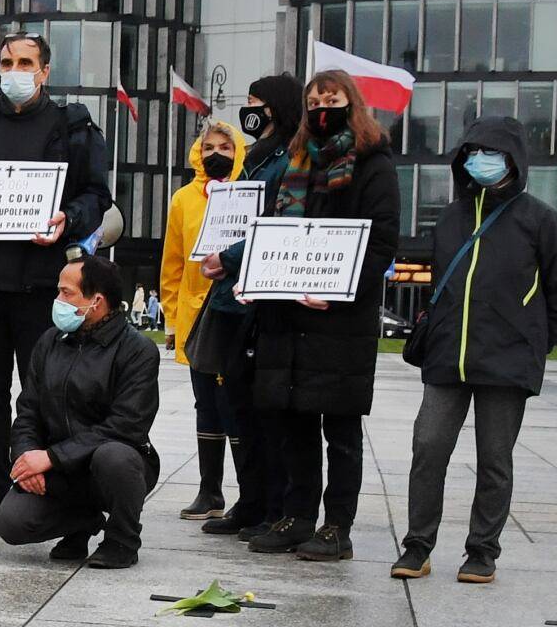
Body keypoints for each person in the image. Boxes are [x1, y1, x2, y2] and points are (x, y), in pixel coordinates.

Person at [212, 68, 398, 561]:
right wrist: (257, 279)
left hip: (340, 321)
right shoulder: (295, 161)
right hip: (286, 316)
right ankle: (296, 516)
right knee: (292, 423)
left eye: (331, 99)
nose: (320, 107)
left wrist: (340, 291)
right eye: (314, 100)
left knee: (339, 429)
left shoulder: (373, 165)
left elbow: (380, 244)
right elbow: (271, 231)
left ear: (349, 103)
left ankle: (337, 525)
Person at [0, 30, 116, 527]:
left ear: (44, 71)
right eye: (6, 62)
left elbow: (96, 195)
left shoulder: (73, 126)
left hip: (43, 283)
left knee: (46, 392)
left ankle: (52, 484)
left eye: (24, 63)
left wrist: (67, 218)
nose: (13, 71)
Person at [391, 116, 557, 585]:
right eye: (471, 152)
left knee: (494, 459)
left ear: (514, 160)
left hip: (507, 362)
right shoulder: (452, 218)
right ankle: (417, 545)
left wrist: (533, 344)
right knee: (428, 447)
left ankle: (482, 551)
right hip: (446, 358)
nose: (479, 160)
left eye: (489, 152)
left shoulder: (542, 222)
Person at [0, 255, 159, 567]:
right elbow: (27, 410)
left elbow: (126, 426)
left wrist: (52, 457)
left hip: (112, 468)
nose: (58, 300)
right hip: (59, 468)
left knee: (115, 456)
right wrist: (28, 457)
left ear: (96, 301)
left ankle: (122, 540)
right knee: (11, 523)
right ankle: (82, 522)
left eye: (66, 293)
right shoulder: (50, 342)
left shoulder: (137, 350)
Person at [196, 76, 300, 541]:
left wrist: (230, 257)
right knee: (236, 406)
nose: (249, 111)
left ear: (275, 108)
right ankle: (250, 501)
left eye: (255, 103)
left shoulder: (288, 159)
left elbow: (277, 224)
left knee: (264, 413)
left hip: (260, 298)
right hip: (230, 296)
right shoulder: (254, 159)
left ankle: (273, 505)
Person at [157, 117, 247, 522]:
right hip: (196, 314)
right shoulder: (183, 200)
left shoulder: (252, 194)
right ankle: (209, 490)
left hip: (241, 313)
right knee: (205, 403)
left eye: (225, 149)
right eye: (208, 148)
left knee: (239, 405)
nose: (216, 155)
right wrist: (173, 321)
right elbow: (171, 264)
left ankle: (250, 492)